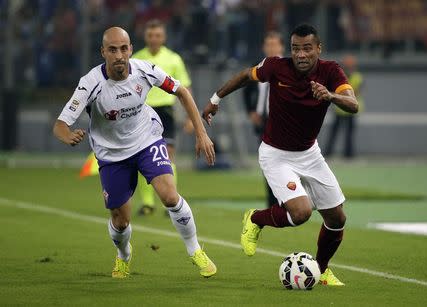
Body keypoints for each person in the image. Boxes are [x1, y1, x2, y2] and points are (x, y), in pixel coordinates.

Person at [54, 27, 217, 279]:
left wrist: (201, 133)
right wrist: (67, 135)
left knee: (170, 196)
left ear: (130, 49)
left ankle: (195, 249)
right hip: (111, 154)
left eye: (123, 48)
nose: (119, 55)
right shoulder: (90, 83)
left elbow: (182, 91)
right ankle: (124, 255)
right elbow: (61, 124)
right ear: (103, 52)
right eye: (112, 50)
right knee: (120, 221)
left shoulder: (145, 70)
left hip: (146, 140)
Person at [202, 24, 358, 286]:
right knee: (301, 213)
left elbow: (352, 104)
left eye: (307, 48)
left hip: (310, 153)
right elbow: (244, 76)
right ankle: (255, 219)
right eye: (296, 48)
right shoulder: (276, 66)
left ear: (318, 49)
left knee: (337, 218)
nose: (301, 54)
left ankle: (320, 270)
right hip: (276, 154)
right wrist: (215, 99)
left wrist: (330, 95)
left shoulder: (331, 71)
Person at [80, 20, 193, 216]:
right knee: (142, 154)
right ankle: (148, 203)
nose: (154, 39)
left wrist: (190, 118)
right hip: (141, 112)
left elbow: (184, 87)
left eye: (158, 35)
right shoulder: (136, 58)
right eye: (151, 35)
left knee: (168, 155)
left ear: (163, 37)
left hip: (166, 110)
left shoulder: (174, 59)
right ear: (145, 37)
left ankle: (169, 198)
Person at [242, 31, 284, 208]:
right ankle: (273, 202)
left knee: (286, 161)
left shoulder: (289, 68)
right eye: (268, 44)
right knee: (268, 162)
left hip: (284, 122)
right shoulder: (258, 67)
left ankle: (290, 199)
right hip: (264, 122)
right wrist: (251, 111)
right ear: (263, 47)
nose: (271, 48)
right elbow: (246, 89)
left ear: (281, 47)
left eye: (275, 44)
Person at [324, 54, 364, 158]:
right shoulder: (339, 76)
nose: (349, 67)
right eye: (347, 65)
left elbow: (356, 92)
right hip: (339, 109)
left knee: (349, 133)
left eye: (350, 65)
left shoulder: (357, 77)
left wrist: (343, 94)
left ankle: (348, 154)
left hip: (351, 110)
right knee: (334, 132)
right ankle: (328, 152)